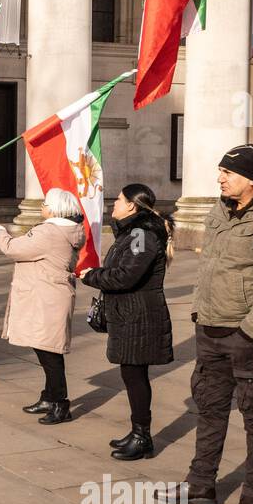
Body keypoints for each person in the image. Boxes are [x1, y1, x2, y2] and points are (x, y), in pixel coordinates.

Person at [157, 143, 253, 504]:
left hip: (250, 337)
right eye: (221, 171)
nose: (220, 178)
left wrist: (249, 332)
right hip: (209, 329)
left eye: (229, 173)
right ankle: (201, 483)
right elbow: (211, 266)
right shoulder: (219, 209)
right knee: (209, 408)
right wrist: (197, 310)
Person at [79, 184, 175, 457]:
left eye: (119, 200)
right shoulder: (133, 233)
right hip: (130, 314)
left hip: (139, 316)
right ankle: (138, 433)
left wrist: (91, 276)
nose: (113, 205)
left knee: (135, 376)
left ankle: (142, 437)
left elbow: (125, 276)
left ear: (132, 205)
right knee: (131, 374)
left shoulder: (141, 235)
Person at [0, 189, 86, 424]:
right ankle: (49, 396)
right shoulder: (66, 229)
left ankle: (60, 403)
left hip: (47, 297)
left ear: (54, 209)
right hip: (50, 295)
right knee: (46, 349)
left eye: (45, 204)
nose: (42, 207)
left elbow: (13, 249)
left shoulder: (50, 231)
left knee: (49, 352)